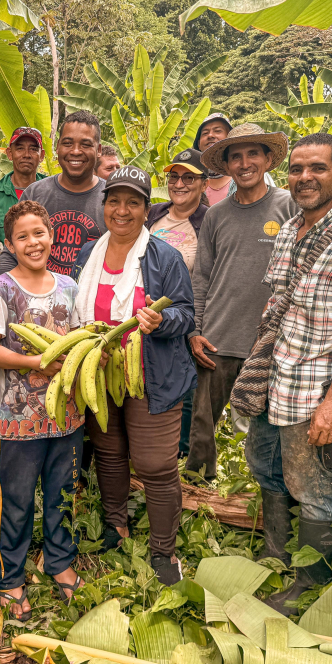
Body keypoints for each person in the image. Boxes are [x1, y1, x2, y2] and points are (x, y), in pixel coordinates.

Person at [248, 133, 332, 614]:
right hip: (274, 379)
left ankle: (309, 584)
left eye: (318, 169)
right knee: (266, 468)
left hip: (312, 390)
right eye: (298, 169)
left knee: (315, 492)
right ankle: (275, 554)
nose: (305, 177)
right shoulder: (290, 228)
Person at [71, 166, 196, 586]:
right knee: (109, 452)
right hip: (101, 372)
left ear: (146, 209)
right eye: (114, 201)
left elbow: (186, 313)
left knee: (155, 464)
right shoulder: (88, 253)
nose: (122, 210)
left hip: (151, 374)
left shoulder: (165, 256)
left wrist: (161, 322)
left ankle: (163, 552)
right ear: (104, 205)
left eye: (133, 202)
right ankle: (115, 524)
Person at [0, 202, 84, 620]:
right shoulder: (2, 289)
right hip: (18, 417)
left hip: (68, 415)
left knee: (62, 496)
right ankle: (11, 577)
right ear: (10, 244)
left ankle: (60, 562)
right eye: (22, 236)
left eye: (38, 233)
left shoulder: (68, 286)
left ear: (51, 236)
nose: (32, 242)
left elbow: (77, 339)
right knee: (16, 501)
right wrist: (38, 363)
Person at [188, 124, 297, 484]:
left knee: (266, 425)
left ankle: (261, 496)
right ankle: (198, 492)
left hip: (269, 341)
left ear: (268, 160)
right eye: (236, 156)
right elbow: (201, 277)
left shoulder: (288, 206)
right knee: (203, 424)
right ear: (228, 165)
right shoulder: (216, 215)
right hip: (218, 337)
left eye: (253, 154)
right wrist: (196, 331)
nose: (245, 163)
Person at [145, 148, 209, 461]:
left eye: (188, 177)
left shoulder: (208, 221)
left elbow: (214, 275)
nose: (179, 184)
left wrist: (198, 326)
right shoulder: (153, 214)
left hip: (188, 318)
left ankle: (180, 458)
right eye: (174, 177)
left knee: (187, 395)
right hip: (148, 317)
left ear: (203, 183)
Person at [0, 110, 107, 275]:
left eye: (85, 144)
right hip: (40, 296)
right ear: (57, 147)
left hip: (94, 297)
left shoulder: (111, 198)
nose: (75, 151)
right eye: (68, 143)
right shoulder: (35, 194)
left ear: (98, 150)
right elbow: (12, 252)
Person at [0, 127, 47, 242]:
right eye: (20, 148)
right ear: (10, 153)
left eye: (33, 149)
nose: (26, 155)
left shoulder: (52, 190)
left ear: (41, 155)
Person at [194, 114, 233, 205]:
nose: (210, 135)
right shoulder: (188, 179)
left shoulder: (250, 173)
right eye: (205, 133)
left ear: (230, 139)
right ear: (199, 144)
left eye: (218, 131)